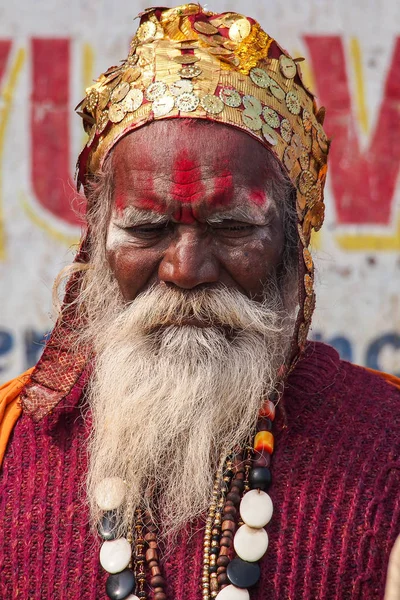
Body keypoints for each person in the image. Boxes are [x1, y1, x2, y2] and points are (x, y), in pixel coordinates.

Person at [0, 5, 399, 600]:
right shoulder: (12, 445)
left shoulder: (386, 448)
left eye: (233, 228)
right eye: (148, 228)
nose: (186, 270)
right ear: (98, 242)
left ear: (294, 244)